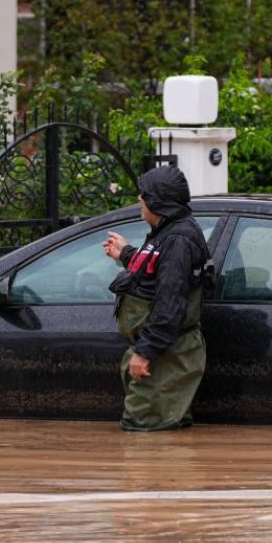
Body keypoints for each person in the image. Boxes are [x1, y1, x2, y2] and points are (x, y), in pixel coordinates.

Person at [102, 165, 211, 431]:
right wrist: (126, 253)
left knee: (143, 432)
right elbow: (156, 268)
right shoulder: (168, 232)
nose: (140, 199)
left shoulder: (179, 240)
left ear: (158, 201)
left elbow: (169, 303)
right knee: (162, 430)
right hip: (163, 350)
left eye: (144, 195)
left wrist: (145, 352)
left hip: (166, 352)